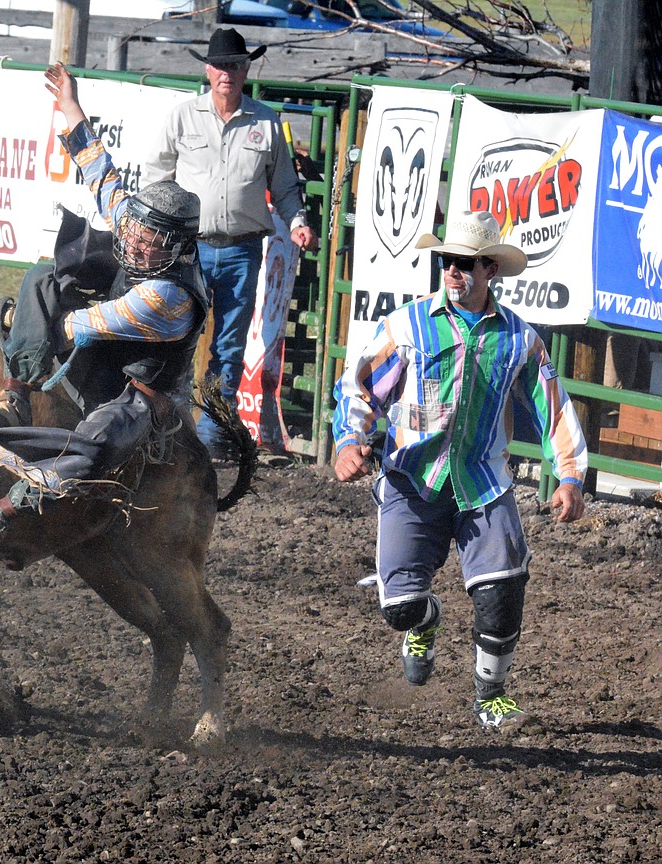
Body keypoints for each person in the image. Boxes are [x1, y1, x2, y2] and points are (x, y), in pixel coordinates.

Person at [331, 210, 589, 730]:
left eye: (466, 263)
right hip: (412, 478)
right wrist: (349, 439)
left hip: (484, 481)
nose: (453, 271)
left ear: (490, 269)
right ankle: (424, 620)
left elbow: (552, 404)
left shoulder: (519, 339)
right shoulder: (407, 326)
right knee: (399, 605)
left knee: (502, 587)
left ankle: (491, 696)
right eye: (448, 261)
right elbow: (360, 384)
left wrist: (569, 475)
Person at [0, 63, 210, 563]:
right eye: (132, 228)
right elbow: (102, 176)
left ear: (175, 247)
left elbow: (81, 328)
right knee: (43, 277)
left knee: (96, 444)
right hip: (106, 349)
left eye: (146, 238)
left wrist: (26, 322)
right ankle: (16, 395)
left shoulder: (168, 298)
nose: (132, 240)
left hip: (141, 390)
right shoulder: (142, 232)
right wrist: (70, 107)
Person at [143, 27, 315, 458]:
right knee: (176, 335)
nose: (226, 73)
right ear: (208, 69)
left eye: (234, 65)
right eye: (220, 65)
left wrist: (297, 221)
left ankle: (211, 436)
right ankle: (166, 425)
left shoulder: (267, 123)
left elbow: (285, 187)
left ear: (245, 69)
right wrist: (156, 226)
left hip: (241, 248)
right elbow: (155, 178)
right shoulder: (183, 117)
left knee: (230, 346)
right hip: (189, 247)